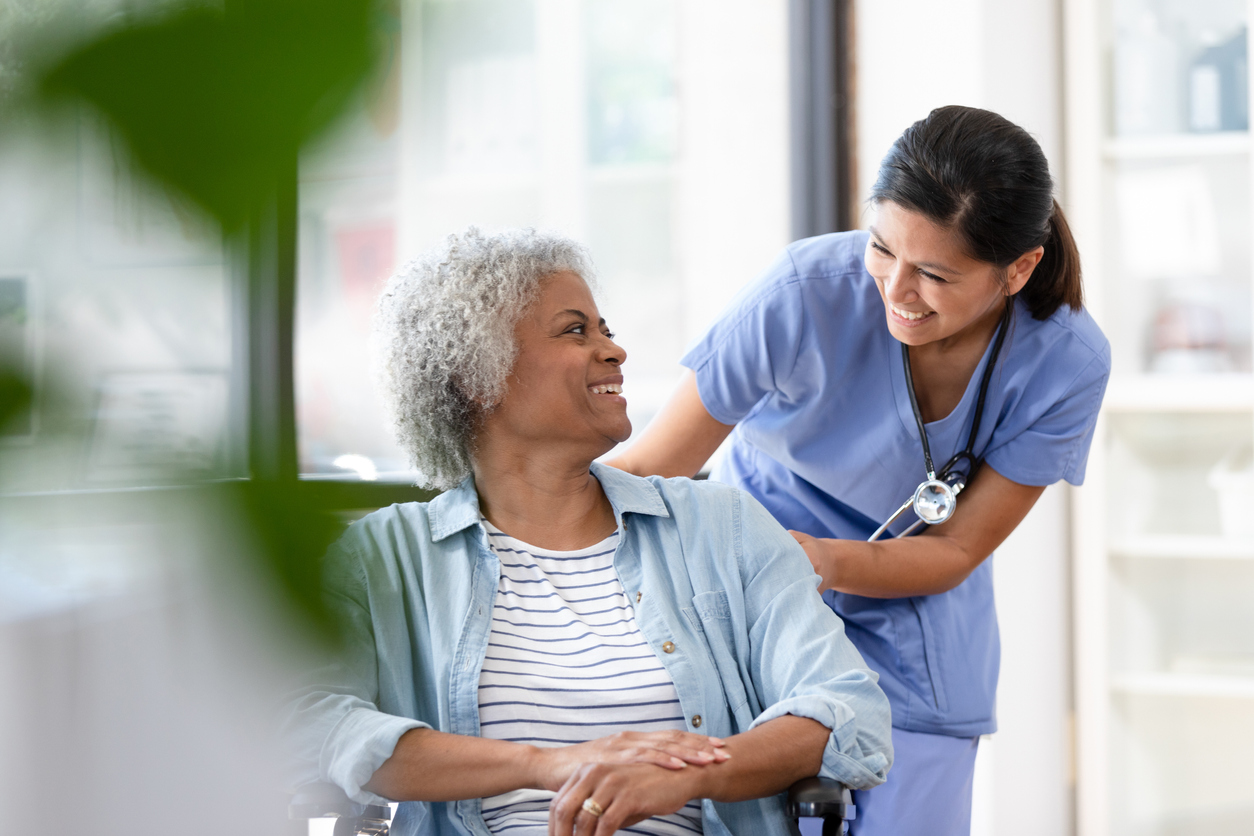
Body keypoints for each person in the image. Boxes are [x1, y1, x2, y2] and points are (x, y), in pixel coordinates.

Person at [283, 227, 893, 836]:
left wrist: (694, 774)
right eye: (576, 330)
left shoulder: (724, 528)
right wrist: (549, 765)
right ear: (477, 375)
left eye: (607, 330)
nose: (613, 351)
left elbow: (847, 708)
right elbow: (305, 721)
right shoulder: (383, 559)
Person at [609, 106, 1111, 836]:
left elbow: (954, 550)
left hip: (917, 625)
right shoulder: (803, 291)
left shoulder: (1064, 361)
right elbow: (654, 467)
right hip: (753, 604)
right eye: (882, 249)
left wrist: (814, 560)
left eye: (934, 274)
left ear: (1019, 269)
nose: (896, 290)